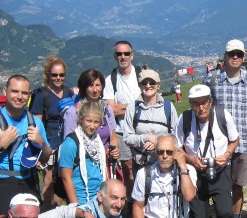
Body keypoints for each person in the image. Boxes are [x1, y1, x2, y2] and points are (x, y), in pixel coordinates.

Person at [175, 84, 247, 218]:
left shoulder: (222, 116)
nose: (201, 108)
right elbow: (177, 147)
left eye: (204, 103)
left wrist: (227, 154)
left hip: (220, 171)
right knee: (199, 217)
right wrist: (191, 160)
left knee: (225, 213)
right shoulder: (185, 119)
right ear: (191, 105)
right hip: (195, 174)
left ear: (210, 102)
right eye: (196, 104)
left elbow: (235, 140)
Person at [0, 75, 53, 213]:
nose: (19, 96)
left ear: (29, 96)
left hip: (30, 181)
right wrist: (0, 146)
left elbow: (45, 157)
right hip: (1, 184)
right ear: (5, 91)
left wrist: (42, 144)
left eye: (24, 93)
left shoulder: (35, 123)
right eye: (15, 91)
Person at [205, 39, 247, 218]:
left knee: (237, 185)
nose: (235, 57)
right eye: (231, 54)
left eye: (239, 54)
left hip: (243, 143)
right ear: (224, 56)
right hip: (217, 145)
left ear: (244, 57)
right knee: (218, 187)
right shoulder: (212, 79)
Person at [30, 57, 75, 209]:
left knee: (66, 178)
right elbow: (36, 124)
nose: (58, 78)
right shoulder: (42, 95)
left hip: (67, 142)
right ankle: (46, 212)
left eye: (61, 75)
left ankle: (66, 212)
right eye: (54, 75)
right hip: (49, 142)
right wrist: (38, 148)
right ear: (48, 75)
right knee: (49, 180)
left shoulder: (68, 92)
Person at [121, 69, 179, 170]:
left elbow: (176, 135)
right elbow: (127, 138)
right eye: (144, 83)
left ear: (158, 85)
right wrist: (146, 138)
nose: (148, 86)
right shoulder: (132, 108)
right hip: (141, 164)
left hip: (165, 163)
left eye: (152, 82)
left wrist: (157, 142)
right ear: (139, 85)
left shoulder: (168, 106)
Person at [103, 41, 141, 184]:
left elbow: (150, 103)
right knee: (127, 166)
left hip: (141, 129)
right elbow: (110, 110)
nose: (123, 57)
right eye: (119, 54)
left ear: (132, 55)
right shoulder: (110, 80)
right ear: (115, 56)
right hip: (121, 131)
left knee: (144, 165)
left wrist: (121, 108)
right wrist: (135, 106)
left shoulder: (141, 76)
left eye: (126, 53)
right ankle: (131, 199)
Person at [63, 69, 121, 162]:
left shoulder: (106, 109)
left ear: (102, 87)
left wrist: (115, 151)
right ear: (84, 88)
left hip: (105, 162)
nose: (95, 90)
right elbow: (68, 143)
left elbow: (113, 137)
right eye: (90, 85)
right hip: (82, 163)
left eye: (97, 85)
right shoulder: (73, 112)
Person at [58, 101, 106, 205]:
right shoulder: (70, 143)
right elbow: (66, 177)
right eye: (89, 121)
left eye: (96, 122)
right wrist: (76, 205)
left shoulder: (97, 140)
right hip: (81, 198)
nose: (92, 126)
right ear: (81, 119)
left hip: (99, 196)